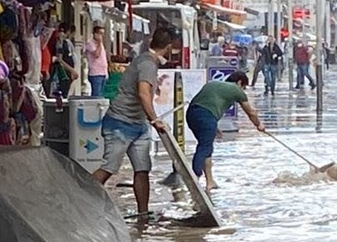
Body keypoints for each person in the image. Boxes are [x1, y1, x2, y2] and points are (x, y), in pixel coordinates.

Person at [92, 26, 174, 217]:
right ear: (168, 47)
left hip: (138, 124)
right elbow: (143, 93)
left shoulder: (146, 60)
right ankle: (80, 201)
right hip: (120, 123)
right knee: (109, 168)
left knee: (143, 169)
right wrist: (155, 120)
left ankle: (143, 213)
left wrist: (149, 121)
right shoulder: (147, 64)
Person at [186, 73, 265, 192]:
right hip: (206, 117)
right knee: (205, 147)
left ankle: (210, 182)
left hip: (191, 115)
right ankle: (194, 177)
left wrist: (214, 126)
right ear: (239, 82)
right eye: (243, 87)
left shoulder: (212, 83)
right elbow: (251, 112)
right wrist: (259, 125)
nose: (243, 90)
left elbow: (205, 104)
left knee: (206, 147)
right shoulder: (236, 90)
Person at [85, 24, 109, 98]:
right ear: (95, 34)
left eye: (103, 34)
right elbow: (96, 54)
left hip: (103, 72)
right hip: (95, 73)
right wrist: (99, 43)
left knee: (101, 95)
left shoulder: (101, 44)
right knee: (96, 95)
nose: (102, 36)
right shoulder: (90, 44)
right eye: (100, 33)